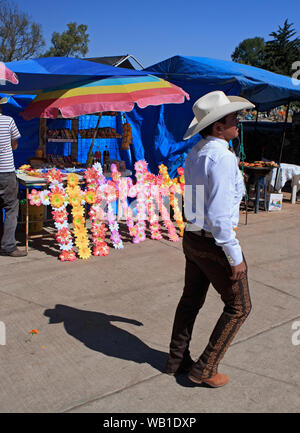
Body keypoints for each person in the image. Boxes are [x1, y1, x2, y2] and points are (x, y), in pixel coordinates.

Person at [165, 91, 255, 387]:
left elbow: (193, 203)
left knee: (191, 300)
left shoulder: (196, 153)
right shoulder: (222, 157)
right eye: (233, 120)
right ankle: (205, 367)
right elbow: (218, 217)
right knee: (240, 306)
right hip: (213, 241)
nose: (237, 125)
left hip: (194, 236)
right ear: (218, 127)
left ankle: (177, 359)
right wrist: (234, 256)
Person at [0, 97, 27, 257]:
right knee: (11, 207)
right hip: (6, 172)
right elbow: (14, 144)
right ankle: (8, 245)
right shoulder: (8, 121)